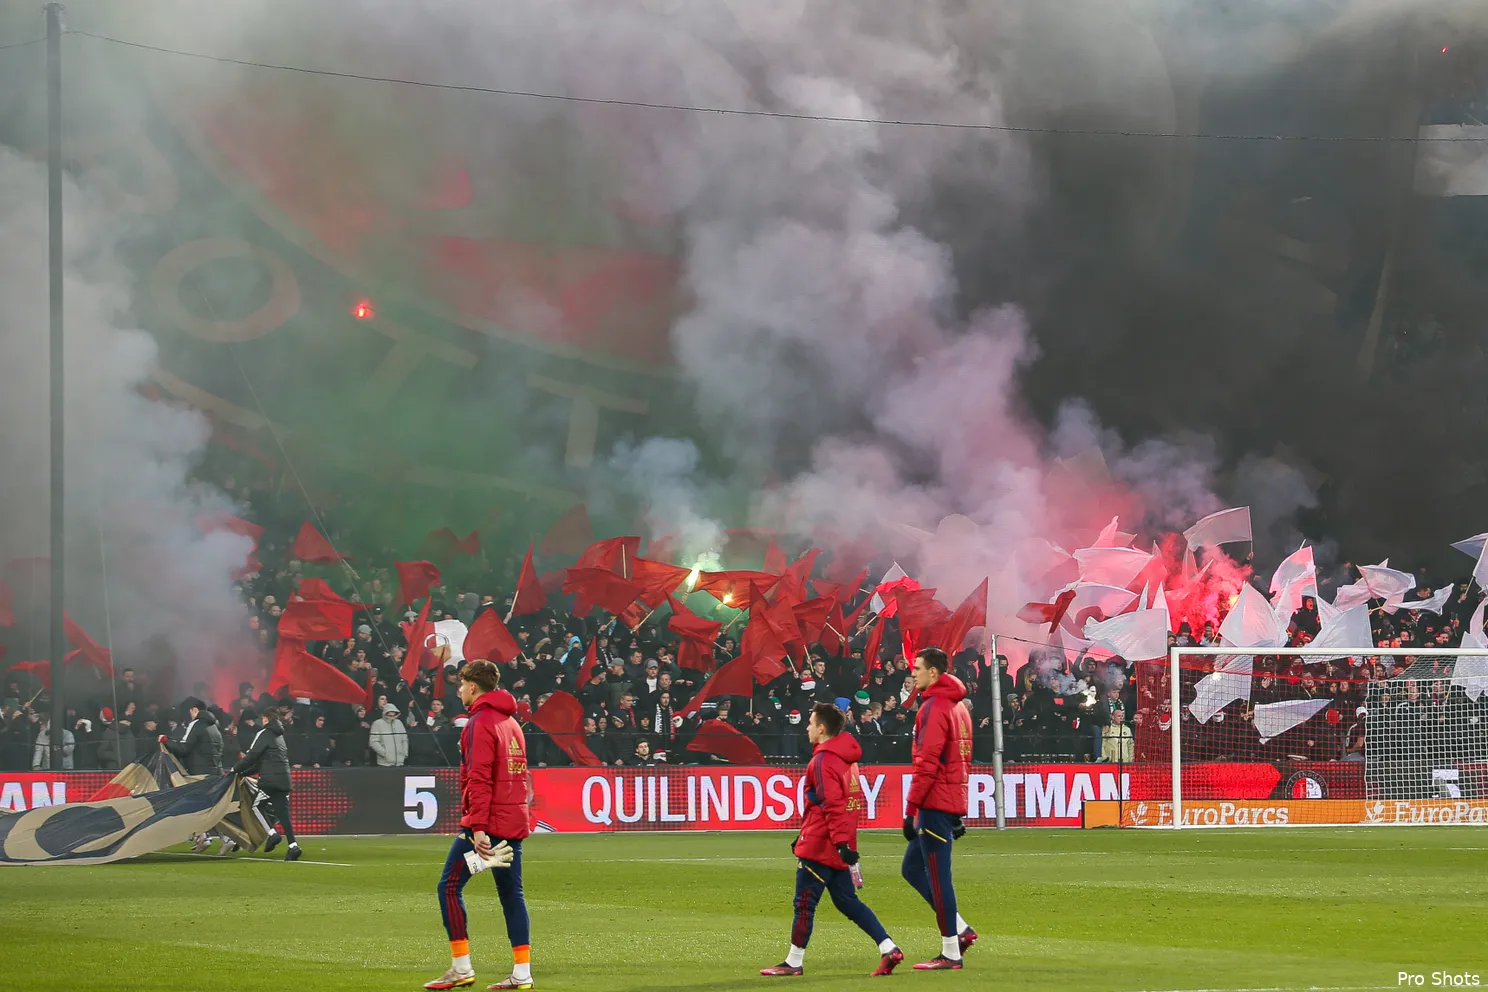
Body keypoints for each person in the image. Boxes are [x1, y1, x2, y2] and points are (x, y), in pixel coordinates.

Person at [760, 703, 903, 978]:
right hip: (839, 844)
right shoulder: (848, 760)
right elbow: (850, 803)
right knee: (848, 902)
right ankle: (889, 947)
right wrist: (845, 844)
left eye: (811, 723)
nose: (807, 727)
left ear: (822, 729)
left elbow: (832, 804)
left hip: (823, 844)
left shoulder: (823, 760)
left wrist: (838, 843)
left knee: (804, 902)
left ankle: (793, 962)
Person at [425, 660, 534, 992]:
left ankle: (461, 968)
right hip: (513, 822)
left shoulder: (479, 723)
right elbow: (520, 779)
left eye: (461, 684)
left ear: (473, 686)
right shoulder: (511, 723)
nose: (459, 690)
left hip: (488, 825)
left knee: (449, 887)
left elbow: (480, 778)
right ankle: (522, 973)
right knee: (512, 894)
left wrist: (478, 827)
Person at [900, 647, 978, 970]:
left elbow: (928, 762)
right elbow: (961, 759)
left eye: (917, 668)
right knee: (912, 869)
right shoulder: (959, 708)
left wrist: (910, 809)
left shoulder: (933, 708)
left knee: (938, 876)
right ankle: (959, 929)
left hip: (933, 802)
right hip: (947, 800)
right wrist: (957, 809)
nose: (913, 673)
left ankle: (950, 952)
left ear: (933, 672)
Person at [231, 707, 299, 861]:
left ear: (266, 719)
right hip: (285, 780)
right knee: (283, 815)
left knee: (256, 806)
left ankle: (272, 834)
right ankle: (293, 846)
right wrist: (244, 773)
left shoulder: (263, 734)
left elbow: (252, 757)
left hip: (270, 781)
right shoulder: (280, 737)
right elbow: (261, 762)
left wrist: (235, 769)